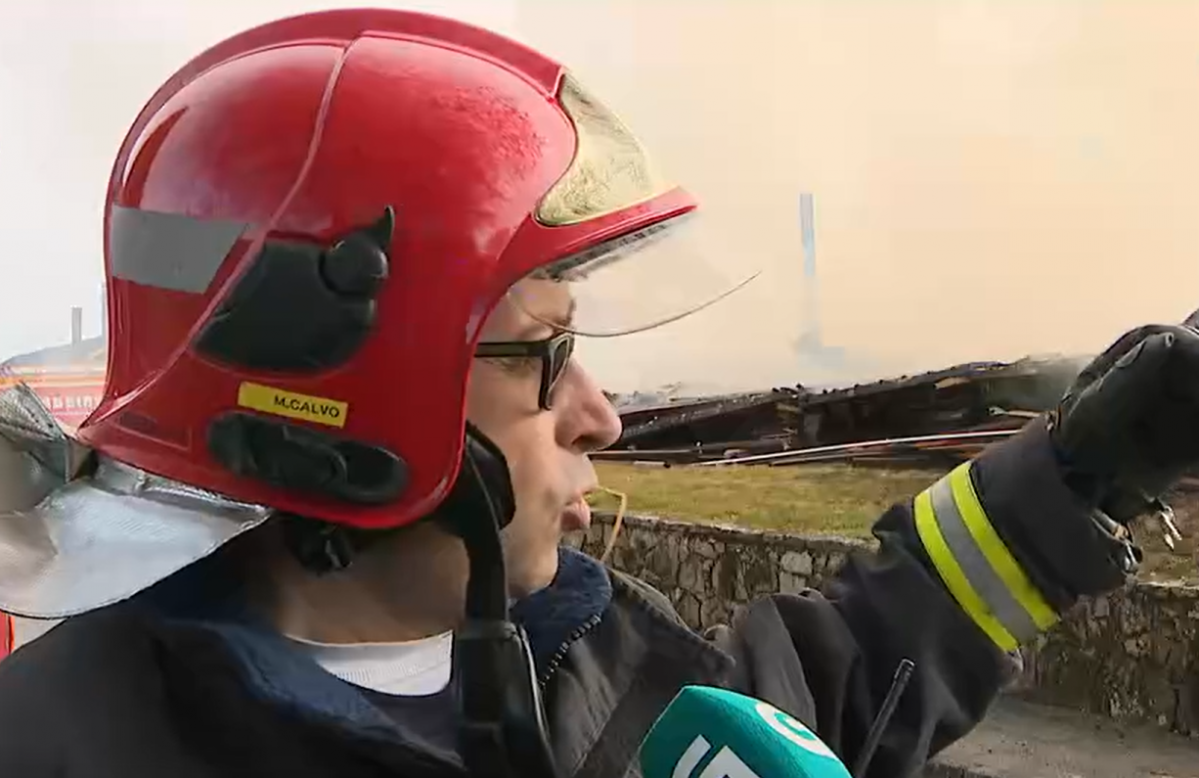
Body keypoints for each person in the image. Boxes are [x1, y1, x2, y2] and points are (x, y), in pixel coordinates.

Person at [0, 8, 1197, 778]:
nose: (602, 416)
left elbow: (829, 686)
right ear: (347, 410)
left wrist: (1082, 473)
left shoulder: (583, 653)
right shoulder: (68, 742)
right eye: (545, 353)